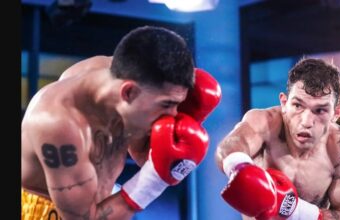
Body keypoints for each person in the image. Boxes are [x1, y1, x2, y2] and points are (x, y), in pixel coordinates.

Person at [21, 26, 221, 220]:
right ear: (128, 92)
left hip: (100, 203)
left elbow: (143, 154)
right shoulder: (59, 125)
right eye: (167, 104)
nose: (173, 114)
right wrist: (153, 182)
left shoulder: (125, 80)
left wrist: (160, 155)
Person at [215, 57, 340, 220]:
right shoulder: (264, 122)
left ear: (336, 113)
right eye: (298, 106)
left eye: (320, 110)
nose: (306, 122)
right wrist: (240, 167)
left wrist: (296, 211)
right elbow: (228, 149)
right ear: (284, 103)